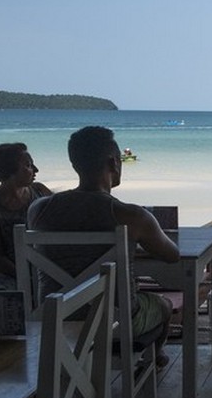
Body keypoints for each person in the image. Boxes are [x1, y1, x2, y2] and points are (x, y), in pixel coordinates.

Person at [27, 126, 179, 367]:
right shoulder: (131, 216)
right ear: (113, 162)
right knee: (163, 304)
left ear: (75, 163)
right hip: (116, 321)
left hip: (54, 318)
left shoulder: (38, 210)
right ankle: (155, 359)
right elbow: (172, 255)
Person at [0, 142, 52, 290]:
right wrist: (26, 277)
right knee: (1, 298)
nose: (36, 170)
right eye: (29, 165)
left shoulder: (40, 191)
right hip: (10, 273)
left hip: (46, 266)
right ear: (10, 170)